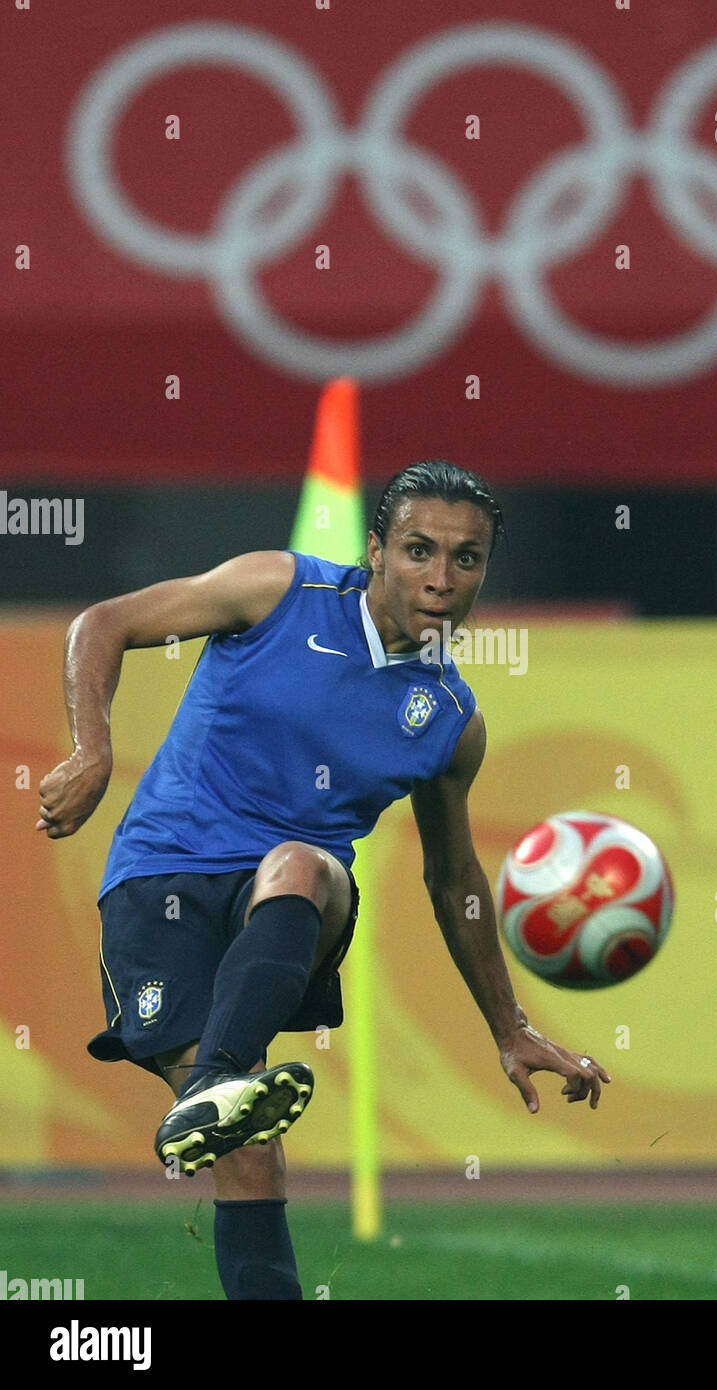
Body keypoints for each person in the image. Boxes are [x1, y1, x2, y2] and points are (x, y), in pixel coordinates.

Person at [35, 460, 611, 1301]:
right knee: (250, 1152)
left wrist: (508, 1025)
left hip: (292, 901)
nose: (441, 579)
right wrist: (92, 749)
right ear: (376, 551)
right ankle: (218, 1094)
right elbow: (103, 621)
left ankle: (211, 1084)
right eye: (419, 550)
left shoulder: (451, 721)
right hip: (159, 883)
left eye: (466, 559)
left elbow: (453, 877)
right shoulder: (276, 587)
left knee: (301, 861)